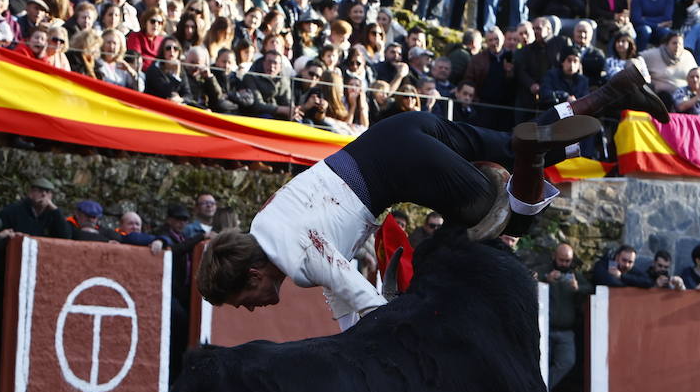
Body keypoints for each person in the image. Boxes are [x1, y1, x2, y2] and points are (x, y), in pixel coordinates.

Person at [197, 109, 609, 323]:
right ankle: (602, 110)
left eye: (242, 302)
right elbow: (339, 294)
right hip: (394, 133)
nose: (250, 309)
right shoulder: (266, 224)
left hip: (400, 169)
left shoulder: (301, 257)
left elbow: (367, 302)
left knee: (503, 221)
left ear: (253, 276)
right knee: (507, 145)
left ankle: (552, 147)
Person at [542, 241, 581, 392]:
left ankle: (542, 390)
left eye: (568, 261)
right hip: (546, 330)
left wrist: (578, 288)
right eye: (561, 260)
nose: (564, 263)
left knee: (567, 362)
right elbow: (530, 279)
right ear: (554, 257)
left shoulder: (574, 275)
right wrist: (546, 279)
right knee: (541, 365)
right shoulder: (545, 270)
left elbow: (590, 288)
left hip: (566, 332)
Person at [0, 177, 74, 238]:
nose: (44, 194)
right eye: (40, 191)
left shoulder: (53, 214)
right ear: (31, 193)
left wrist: (55, 210)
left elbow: (66, 236)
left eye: (47, 192)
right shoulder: (13, 210)